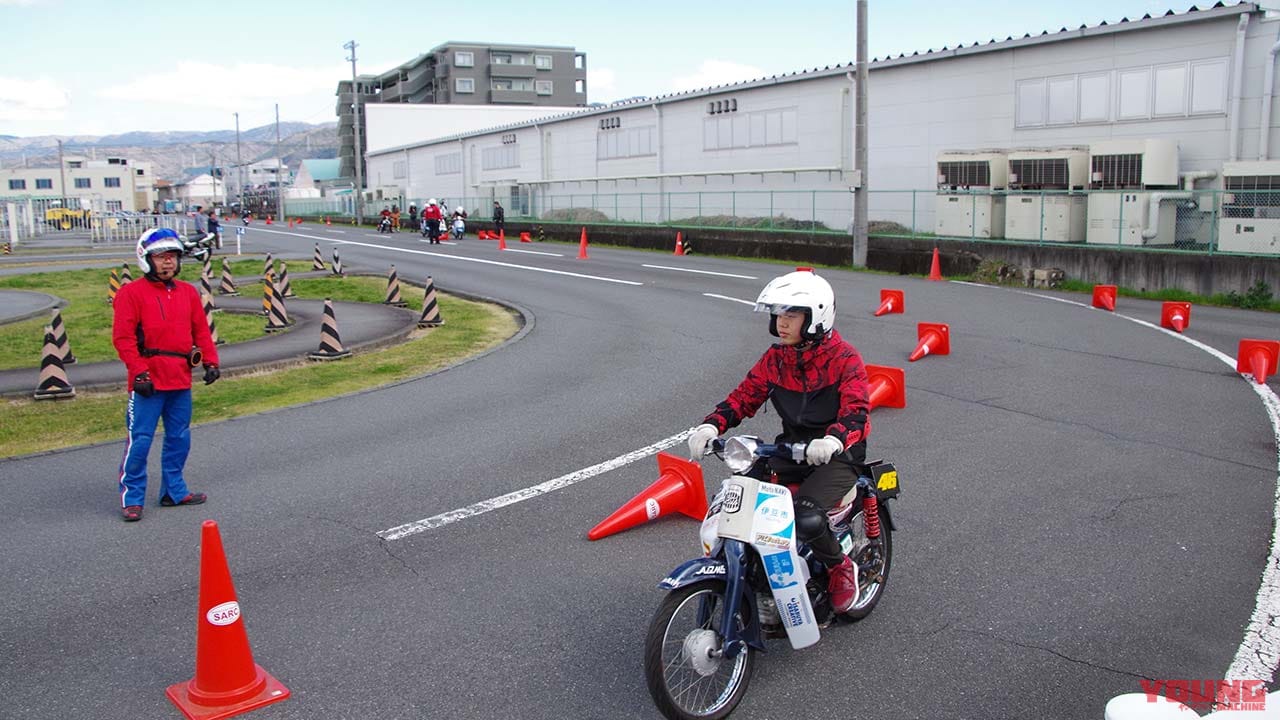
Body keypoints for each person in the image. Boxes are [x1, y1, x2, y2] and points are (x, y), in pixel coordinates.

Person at [687, 268, 870, 613]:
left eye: (791, 314)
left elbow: (856, 412)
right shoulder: (776, 359)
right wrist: (710, 427)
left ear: (816, 316)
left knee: (805, 517)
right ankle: (752, 572)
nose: (781, 322)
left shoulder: (845, 359)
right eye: (778, 314)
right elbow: (744, 397)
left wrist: (834, 440)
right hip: (790, 449)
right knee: (736, 497)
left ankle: (839, 568)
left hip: (838, 456)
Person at [111, 228, 221, 522]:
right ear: (147, 259)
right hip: (148, 381)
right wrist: (139, 372)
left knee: (179, 438)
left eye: (171, 257)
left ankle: (173, 491)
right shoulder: (130, 294)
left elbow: (200, 330)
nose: (167, 263)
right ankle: (132, 497)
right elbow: (123, 339)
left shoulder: (187, 292)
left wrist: (210, 361)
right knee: (141, 441)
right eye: (161, 257)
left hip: (180, 378)